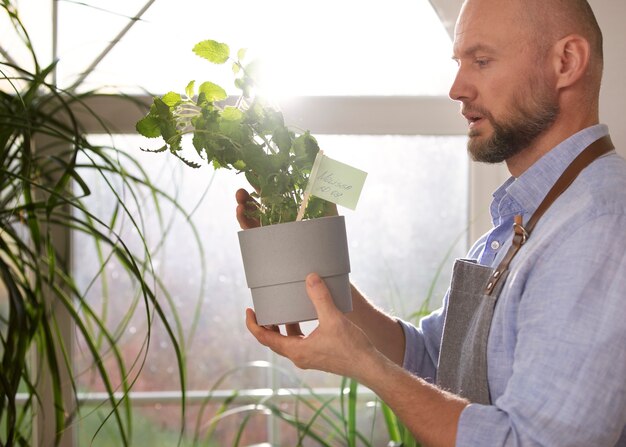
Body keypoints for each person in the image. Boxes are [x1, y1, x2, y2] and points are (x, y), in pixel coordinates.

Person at [236, 0, 626, 445]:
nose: (456, 88)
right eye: (459, 63)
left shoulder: (599, 225)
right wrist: (312, 261)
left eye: (481, 61)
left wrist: (364, 364)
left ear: (566, 62)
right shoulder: (519, 222)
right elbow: (429, 359)